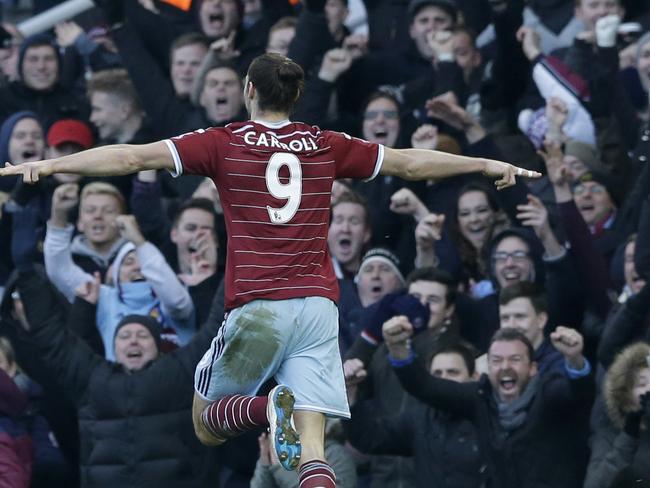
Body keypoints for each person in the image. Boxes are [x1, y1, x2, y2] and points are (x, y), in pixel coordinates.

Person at [0, 52, 539, 487]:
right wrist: (486, 163)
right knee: (313, 455)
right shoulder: (325, 144)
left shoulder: (224, 141)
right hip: (318, 307)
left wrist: (51, 163)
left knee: (206, 422)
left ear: (248, 90)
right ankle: (304, 457)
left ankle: (262, 409)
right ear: (297, 96)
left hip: (258, 306)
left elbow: (129, 158)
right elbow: (409, 161)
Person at [384, 323, 594, 488]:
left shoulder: (550, 394)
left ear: (533, 369)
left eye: (514, 359)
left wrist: (574, 359)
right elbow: (426, 387)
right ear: (487, 366)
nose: (505, 367)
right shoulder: (480, 398)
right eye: (497, 360)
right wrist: (398, 349)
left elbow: (579, 393)